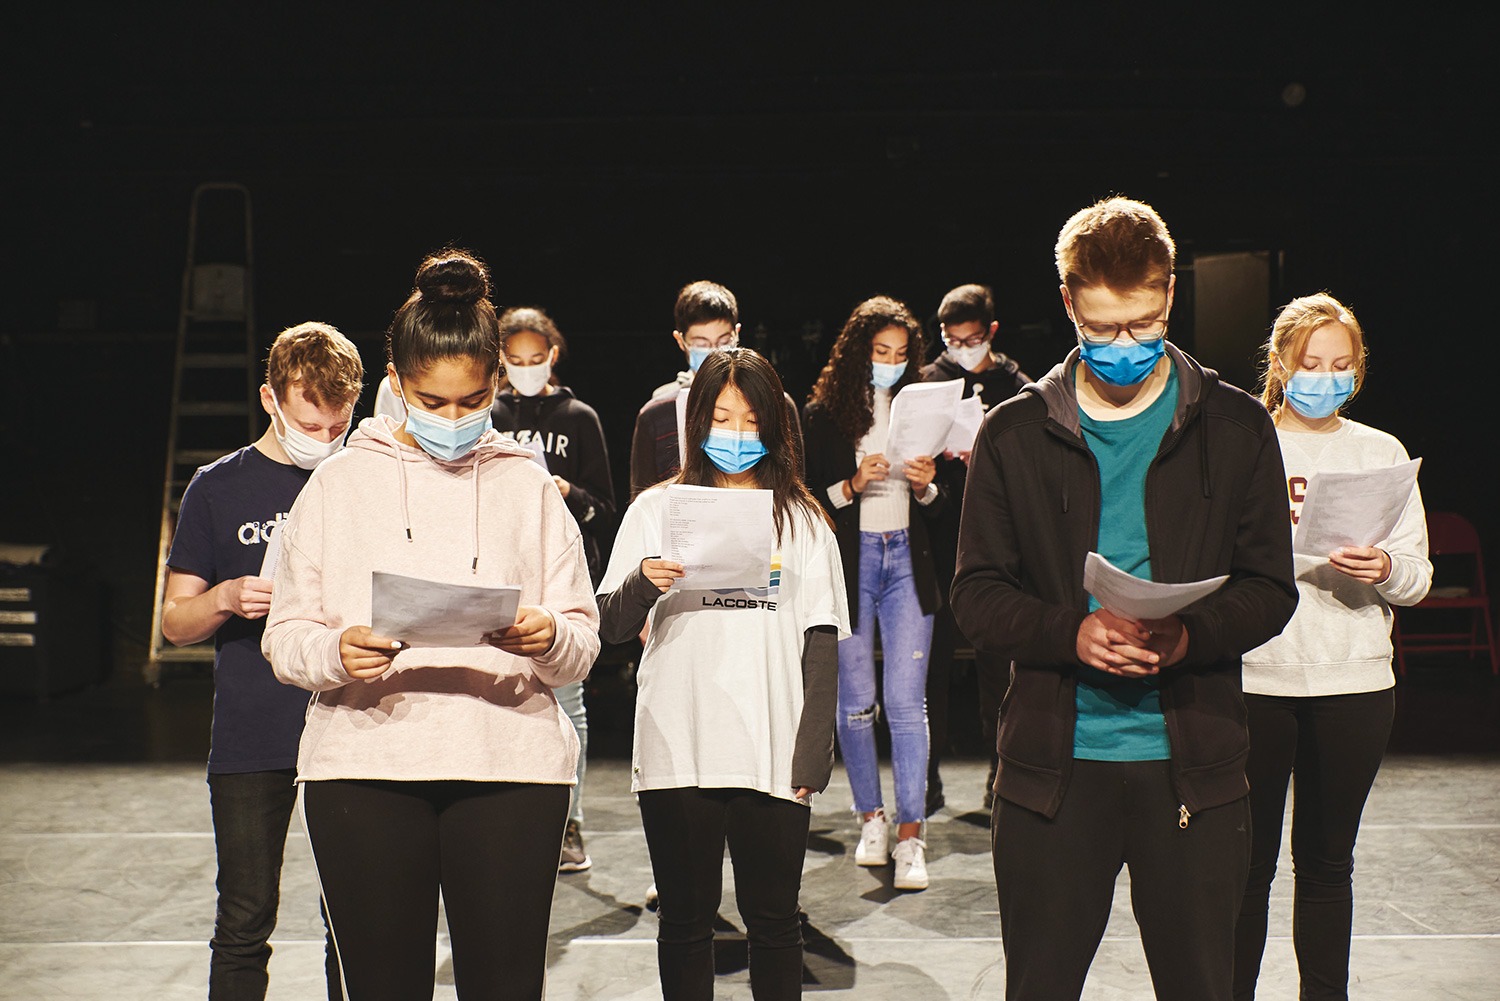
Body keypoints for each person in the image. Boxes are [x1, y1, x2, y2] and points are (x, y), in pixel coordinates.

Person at [950, 196, 1298, 1001]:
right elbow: (976, 594)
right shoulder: (1012, 432)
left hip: (1195, 768)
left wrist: (1189, 636)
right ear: (1068, 303)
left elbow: (1269, 589)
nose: (1124, 344)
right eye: (1102, 328)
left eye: (1142, 323)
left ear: (1169, 294)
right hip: (1052, 774)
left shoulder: (1237, 428)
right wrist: (1071, 634)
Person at [262, 250, 599, 1000]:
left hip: (511, 766)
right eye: (432, 402)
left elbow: (581, 641)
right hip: (364, 768)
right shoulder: (339, 483)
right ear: (396, 384)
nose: (453, 420)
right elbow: (287, 638)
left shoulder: (527, 483)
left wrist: (548, 636)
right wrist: (337, 651)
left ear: (495, 387)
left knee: (507, 985)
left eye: (471, 401)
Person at [597, 348, 848, 1000]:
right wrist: (642, 581)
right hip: (678, 744)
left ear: (774, 425)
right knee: (684, 920)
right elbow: (608, 624)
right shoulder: (658, 509)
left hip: (771, 746)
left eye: (750, 420)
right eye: (721, 417)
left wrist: (812, 756)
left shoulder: (802, 520)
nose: (735, 434)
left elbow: (822, 643)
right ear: (696, 421)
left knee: (774, 921)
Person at [1233, 293, 1432, 1001]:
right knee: (1245, 868)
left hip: (1353, 685)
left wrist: (1385, 569)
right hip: (1258, 680)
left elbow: (1416, 574)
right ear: (1282, 364)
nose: (1326, 375)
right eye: (1311, 362)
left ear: (1358, 369)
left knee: (1326, 864)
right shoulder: (1245, 439)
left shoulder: (1378, 451)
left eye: (1341, 364)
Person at [160, 320, 362, 1001]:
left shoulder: (361, 481)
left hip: (353, 722)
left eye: (341, 425)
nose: (327, 438)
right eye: (313, 421)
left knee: (357, 923)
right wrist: (223, 595)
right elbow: (175, 620)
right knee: (245, 919)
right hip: (255, 726)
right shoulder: (218, 487)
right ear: (270, 398)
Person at [803, 295, 945, 892]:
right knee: (855, 703)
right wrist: (851, 484)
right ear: (858, 353)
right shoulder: (825, 415)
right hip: (852, 560)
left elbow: (948, 506)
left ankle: (912, 836)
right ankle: (872, 820)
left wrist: (928, 486)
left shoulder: (922, 409)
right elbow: (805, 499)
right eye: (880, 352)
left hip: (907, 557)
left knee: (907, 703)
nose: (890, 361)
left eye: (900, 353)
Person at [492, 304, 616, 872]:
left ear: (553, 355)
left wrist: (566, 490)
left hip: (563, 574)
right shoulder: (487, 413)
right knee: (498, 695)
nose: (524, 369)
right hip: (501, 574)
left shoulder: (579, 416)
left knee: (568, 702)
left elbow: (606, 508)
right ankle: (506, 818)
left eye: (534, 359)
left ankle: (570, 823)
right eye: (513, 360)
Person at [919, 283, 1031, 814]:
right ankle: (927, 779)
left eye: (970, 338)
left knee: (997, 663)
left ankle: (1000, 771)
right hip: (937, 533)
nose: (960, 347)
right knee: (929, 665)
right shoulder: (929, 380)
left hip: (998, 539)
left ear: (991, 331)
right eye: (950, 339)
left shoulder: (1016, 384)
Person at [629, 280, 803, 499]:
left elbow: (793, 484)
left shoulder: (776, 403)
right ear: (680, 341)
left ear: (737, 334)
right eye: (702, 344)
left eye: (723, 341)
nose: (713, 353)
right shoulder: (656, 414)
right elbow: (642, 497)